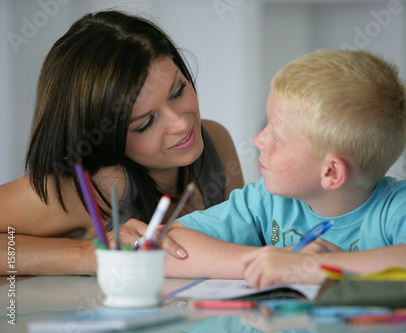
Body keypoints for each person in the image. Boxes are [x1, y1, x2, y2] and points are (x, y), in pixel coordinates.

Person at [161, 49, 406, 287]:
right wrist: (262, 263)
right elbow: (169, 245)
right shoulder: (266, 201)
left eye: (276, 135)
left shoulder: (403, 206)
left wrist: (317, 268)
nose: (258, 140)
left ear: (331, 173)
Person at [0, 10, 244, 276]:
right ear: (103, 137)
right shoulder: (96, 186)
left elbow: (247, 238)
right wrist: (87, 256)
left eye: (178, 91)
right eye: (145, 123)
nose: (182, 124)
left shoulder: (215, 140)